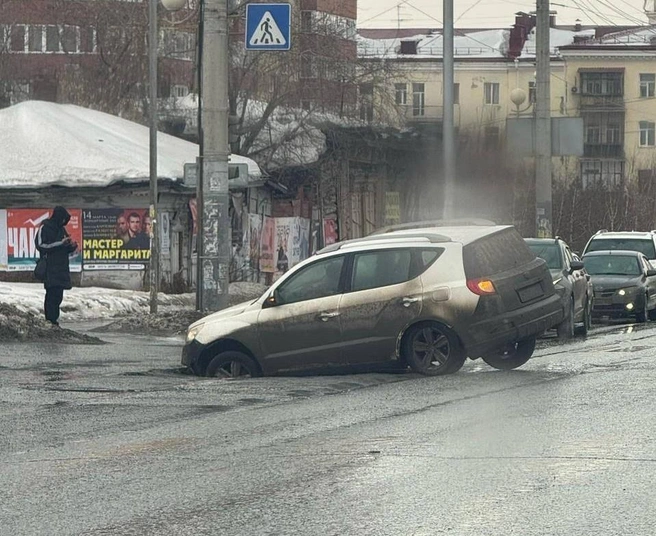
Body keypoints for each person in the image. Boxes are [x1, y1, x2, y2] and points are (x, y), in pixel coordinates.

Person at [35, 206, 78, 327]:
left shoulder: (62, 229)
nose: (63, 222)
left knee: (58, 295)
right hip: (50, 267)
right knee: (51, 294)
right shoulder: (45, 227)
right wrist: (60, 243)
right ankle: (50, 320)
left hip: (61, 268)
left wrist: (71, 246)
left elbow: (63, 249)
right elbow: (41, 245)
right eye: (63, 219)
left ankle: (54, 320)